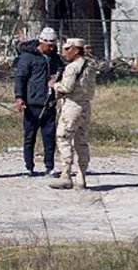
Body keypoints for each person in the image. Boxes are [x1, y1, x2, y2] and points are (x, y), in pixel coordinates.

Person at [13, 28, 64, 177]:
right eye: (50, 46)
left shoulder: (55, 58)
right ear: (42, 43)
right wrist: (19, 97)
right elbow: (20, 77)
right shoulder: (28, 57)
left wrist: (57, 79)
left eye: (54, 46)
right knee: (29, 136)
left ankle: (49, 166)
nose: (52, 48)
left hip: (49, 103)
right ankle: (29, 166)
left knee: (49, 137)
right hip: (31, 103)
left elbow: (63, 71)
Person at [49, 38, 96, 190]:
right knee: (81, 140)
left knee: (64, 137)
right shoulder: (90, 66)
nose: (64, 52)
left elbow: (67, 87)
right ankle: (81, 176)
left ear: (76, 50)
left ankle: (66, 174)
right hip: (85, 106)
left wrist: (54, 85)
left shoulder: (72, 67)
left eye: (67, 49)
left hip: (72, 106)